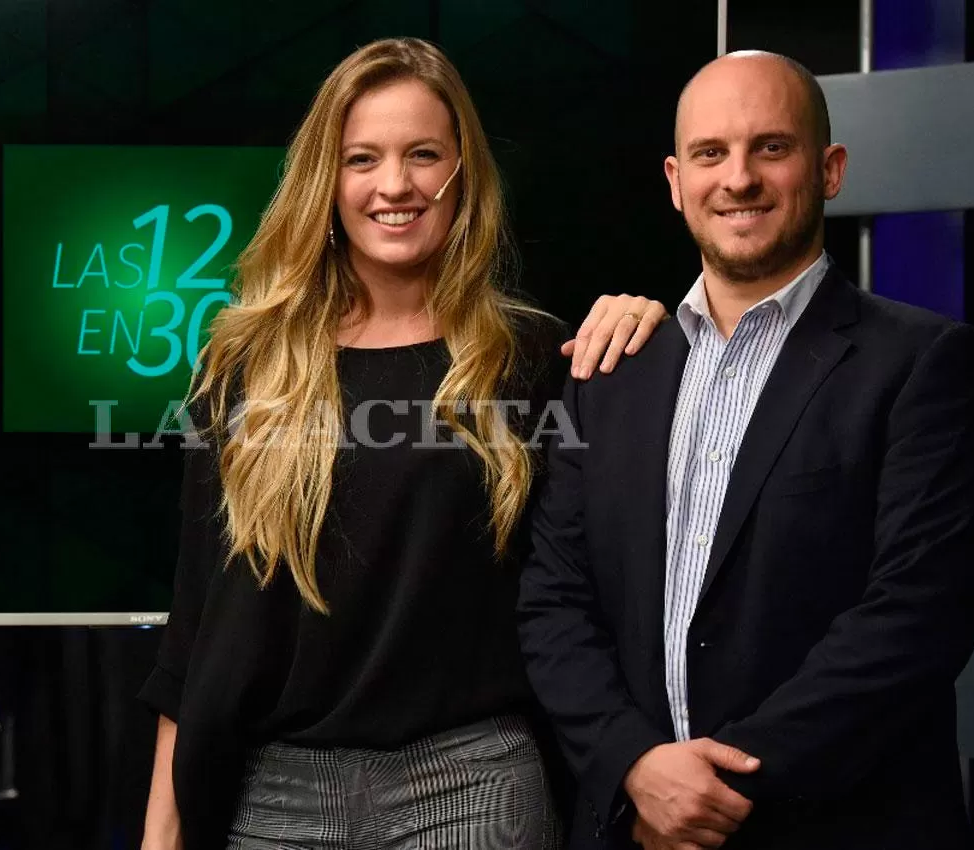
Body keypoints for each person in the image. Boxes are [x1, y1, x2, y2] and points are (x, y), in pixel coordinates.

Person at [138, 37, 670, 850]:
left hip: (471, 783)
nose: (395, 185)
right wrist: (160, 836)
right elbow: (196, 620)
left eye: (424, 154)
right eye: (363, 158)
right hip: (273, 793)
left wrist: (656, 328)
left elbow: (600, 596)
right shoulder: (246, 361)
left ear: (463, 175)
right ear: (327, 179)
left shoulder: (534, 360)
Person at [517, 50, 974, 850]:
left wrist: (711, 791)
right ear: (676, 182)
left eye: (770, 148)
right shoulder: (609, 372)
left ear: (830, 169)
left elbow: (917, 617)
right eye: (711, 153)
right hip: (630, 823)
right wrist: (634, 765)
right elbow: (554, 602)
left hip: (836, 825)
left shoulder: (924, 363)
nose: (737, 178)